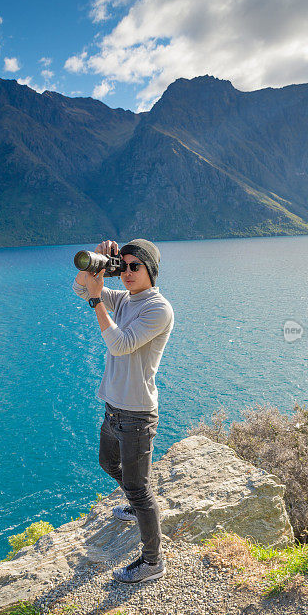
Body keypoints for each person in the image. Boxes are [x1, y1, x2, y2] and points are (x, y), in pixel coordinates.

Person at [72, 238, 174, 583]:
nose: (128, 272)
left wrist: (99, 297)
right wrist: (94, 267)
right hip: (114, 406)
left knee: (139, 487)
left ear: (151, 271)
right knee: (108, 464)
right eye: (124, 265)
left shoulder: (158, 309)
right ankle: (135, 501)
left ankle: (153, 561)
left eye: (136, 266)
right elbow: (80, 290)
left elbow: (119, 344)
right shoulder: (128, 299)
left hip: (137, 413)